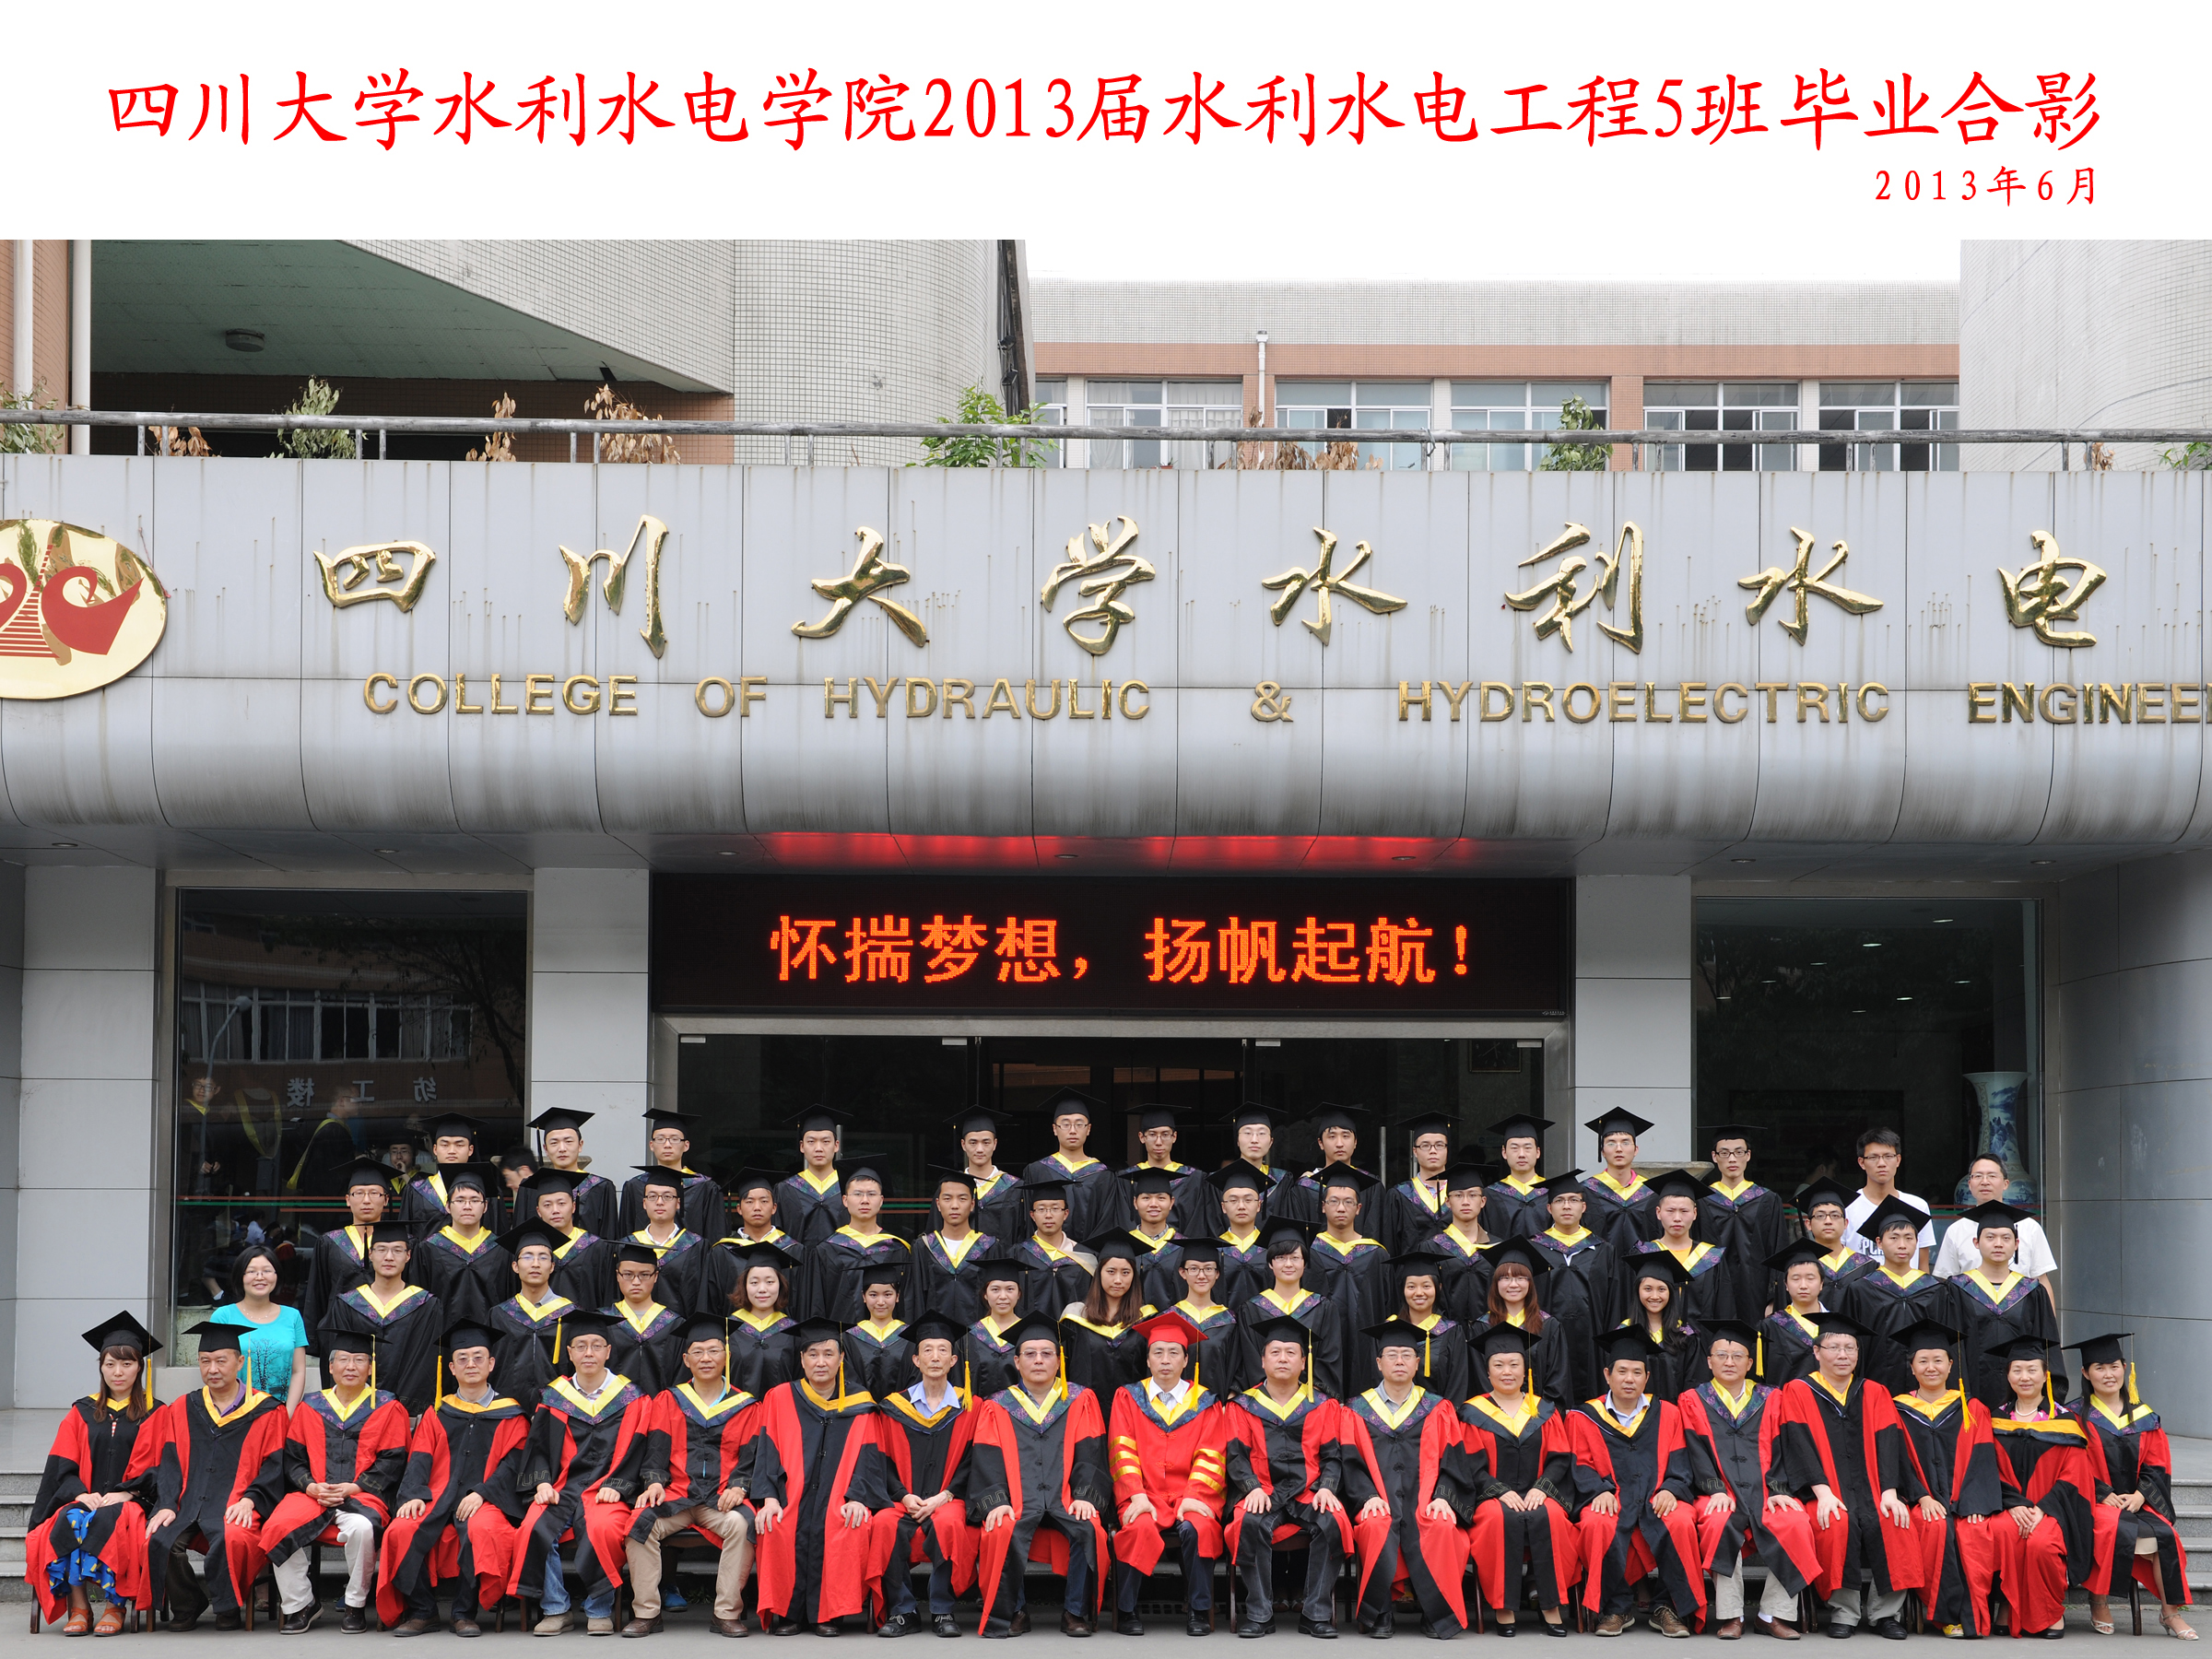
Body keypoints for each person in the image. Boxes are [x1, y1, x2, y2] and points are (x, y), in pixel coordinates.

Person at [1765, 1311, 1925, 1640]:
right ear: (1816, 1352)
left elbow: (1889, 1443)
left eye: (1850, 1348)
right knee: (1836, 1523)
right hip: (1823, 1489)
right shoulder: (1798, 1390)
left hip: (1875, 1488)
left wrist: (1890, 1492)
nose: (1843, 1355)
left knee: (1895, 1521)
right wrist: (1823, 1493)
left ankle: (1886, 1614)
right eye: (1834, 1347)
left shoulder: (1875, 1392)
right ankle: (1844, 1612)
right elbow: (1798, 1444)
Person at [376, 1318, 533, 1636]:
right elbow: (419, 1457)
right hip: (437, 1495)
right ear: (451, 1368)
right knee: (401, 1529)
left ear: (491, 1364)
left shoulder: (511, 1414)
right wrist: (414, 1494)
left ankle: (464, 1613)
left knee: (482, 1528)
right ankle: (423, 1611)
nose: (470, 1364)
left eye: (478, 1357)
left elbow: (513, 1464)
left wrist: (483, 1493)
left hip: (485, 1498)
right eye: (462, 1358)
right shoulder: (438, 1412)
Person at [966, 1313, 1113, 1638]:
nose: (1038, 1360)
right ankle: (1015, 1611)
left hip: (1065, 1498)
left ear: (1059, 1361)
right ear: (1016, 1362)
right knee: (1001, 1527)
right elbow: (987, 1459)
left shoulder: (1080, 1400)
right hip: (1019, 1501)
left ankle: (1075, 1612)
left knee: (1089, 1528)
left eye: (1047, 1353)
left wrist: (1085, 1496)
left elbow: (1091, 1453)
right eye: (1030, 1354)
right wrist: (997, 1501)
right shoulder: (998, 1406)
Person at [254, 1327, 411, 1633]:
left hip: (363, 1496)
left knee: (362, 1528)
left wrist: (356, 1486)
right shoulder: (310, 1406)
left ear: (370, 1368)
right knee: (276, 1527)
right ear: (330, 1366)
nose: (351, 1367)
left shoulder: (387, 1407)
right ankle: (301, 1604)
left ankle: (355, 1604)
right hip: (313, 1495)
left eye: (359, 1360)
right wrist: (311, 1486)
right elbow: (293, 1459)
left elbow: (393, 1460)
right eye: (343, 1360)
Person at [511, 1311, 655, 1635]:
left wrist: (619, 1485)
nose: (588, 1352)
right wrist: (542, 1482)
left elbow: (640, 1449)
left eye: (596, 1345)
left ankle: (599, 1609)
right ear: (570, 1352)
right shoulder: (553, 1398)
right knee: (532, 1526)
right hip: (562, 1487)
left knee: (603, 1527)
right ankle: (556, 1608)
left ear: (608, 1351)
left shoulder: (632, 1398)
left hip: (607, 1489)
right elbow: (537, 1448)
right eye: (581, 1346)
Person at [1674, 1320, 1818, 1641]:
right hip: (1717, 1492)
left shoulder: (1772, 1397)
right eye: (1721, 1355)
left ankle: (1772, 1614)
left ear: (1750, 1363)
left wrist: (1779, 1489)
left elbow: (1785, 1447)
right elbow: (1692, 1451)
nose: (1729, 1362)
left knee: (1795, 1521)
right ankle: (1732, 1615)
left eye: (1737, 1356)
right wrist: (1713, 1488)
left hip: (1765, 1491)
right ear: (1709, 1361)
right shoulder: (1692, 1400)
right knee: (1718, 1523)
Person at [748, 1316, 891, 1635]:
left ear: (841, 1359)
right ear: (802, 1360)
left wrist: (858, 1498)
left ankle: (829, 1614)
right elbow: (767, 1452)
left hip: (840, 1496)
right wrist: (769, 1498)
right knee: (775, 1525)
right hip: (790, 1496)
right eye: (813, 1354)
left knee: (848, 1524)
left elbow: (869, 1458)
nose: (821, 1362)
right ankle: (788, 1613)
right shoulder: (780, 1397)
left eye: (828, 1354)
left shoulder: (861, 1403)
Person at [26, 1312, 166, 1637]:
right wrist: (80, 1493)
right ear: (101, 1367)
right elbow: (62, 1462)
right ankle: (79, 1608)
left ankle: (115, 1606)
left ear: (140, 1368)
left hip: (133, 1500)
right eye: (110, 1364)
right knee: (71, 1518)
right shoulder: (82, 1411)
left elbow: (162, 1465)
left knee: (109, 1519)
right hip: (86, 1496)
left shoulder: (156, 1412)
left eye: (127, 1364)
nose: (118, 1372)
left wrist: (128, 1492)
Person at [145, 1322, 288, 1631]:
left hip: (236, 1502)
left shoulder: (267, 1411)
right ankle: (188, 1603)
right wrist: (167, 1503)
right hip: (188, 1503)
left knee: (232, 1537)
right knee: (160, 1538)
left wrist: (251, 1500)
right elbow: (169, 1463)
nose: (213, 1369)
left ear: (240, 1362)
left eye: (221, 1361)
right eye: (205, 1361)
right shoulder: (182, 1408)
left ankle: (228, 1607)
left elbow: (275, 1466)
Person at [1336, 1318, 1473, 1640]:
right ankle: (1380, 1611)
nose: (1399, 1361)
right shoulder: (1356, 1410)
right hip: (1378, 1499)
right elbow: (1350, 1464)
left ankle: (1435, 1613)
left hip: (1425, 1500)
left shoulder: (1438, 1408)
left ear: (1417, 1362)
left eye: (1407, 1355)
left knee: (1440, 1525)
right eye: (1392, 1355)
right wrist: (1368, 1497)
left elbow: (1454, 1462)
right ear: (1378, 1363)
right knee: (1375, 1524)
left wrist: (1443, 1496)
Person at [1566, 1327, 1706, 1638]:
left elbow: (1681, 1461)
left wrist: (1671, 1488)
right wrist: (1598, 1490)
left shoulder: (1668, 1413)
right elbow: (1580, 1463)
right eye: (1622, 1371)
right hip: (1611, 1497)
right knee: (1596, 1523)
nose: (1629, 1379)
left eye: (1637, 1372)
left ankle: (1667, 1607)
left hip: (1657, 1497)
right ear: (1607, 1375)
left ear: (1647, 1377)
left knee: (1681, 1521)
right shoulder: (1585, 1416)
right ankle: (1616, 1608)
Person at [625, 1317, 759, 1638]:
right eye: (698, 1352)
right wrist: (654, 1481)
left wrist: (740, 1486)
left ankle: (726, 1613)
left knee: (743, 1525)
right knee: (640, 1522)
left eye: (714, 1351)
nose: (706, 1358)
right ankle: (647, 1613)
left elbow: (753, 1456)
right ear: (686, 1360)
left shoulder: (746, 1405)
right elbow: (656, 1450)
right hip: (677, 1495)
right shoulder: (668, 1400)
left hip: (721, 1497)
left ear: (726, 1356)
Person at [1218, 1314, 1348, 1639]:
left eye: (1291, 1353)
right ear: (1262, 1360)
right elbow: (1235, 1455)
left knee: (1333, 1521)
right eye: (1275, 1352)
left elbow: (1333, 1455)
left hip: (1309, 1492)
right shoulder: (1243, 1406)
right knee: (1248, 1522)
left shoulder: (1323, 1405)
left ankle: (1316, 1614)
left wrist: (1327, 1487)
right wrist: (1250, 1488)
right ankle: (1259, 1614)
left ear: (1304, 1363)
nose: (1283, 1359)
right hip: (1263, 1490)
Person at [2065, 1331, 2195, 1640]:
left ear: (2125, 1368)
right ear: (2086, 1373)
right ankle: (2098, 1600)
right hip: (2095, 1501)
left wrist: (2140, 1495)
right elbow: (2070, 1464)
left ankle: (2170, 1612)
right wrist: (2102, 1493)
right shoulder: (2073, 1416)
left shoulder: (2145, 1417)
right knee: (2110, 1527)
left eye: (2114, 1366)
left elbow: (2157, 1465)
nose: (2108, 1374)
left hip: (2139, 1502)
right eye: (2099, 1368)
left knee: (2166, 1534)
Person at [1106, 1310, 1228, 1637]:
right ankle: (1127, 1609)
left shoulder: (1205, 1402)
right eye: (1158, 1352)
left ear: (1186, 1360)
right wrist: (1137, 1495)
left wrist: (1194, 1496)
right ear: (1147, 1360)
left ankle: (1199, 1609)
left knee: (1199, 1527)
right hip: (1143, 1494)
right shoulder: (1128, 1398)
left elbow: (1211, 1454)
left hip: (1192, 1495)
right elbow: (1122, 1450)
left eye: (1174, 1352)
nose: (1165, 1360)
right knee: (1139, 1527)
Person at [1451, 1324, 1578, 1635]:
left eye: (1514, 1364)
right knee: (1497, 1518)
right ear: (1488, 1371)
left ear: (1525, 1370)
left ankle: (1551, 1605)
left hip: (1538, 1493)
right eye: (1498, 1365)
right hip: (1491, 1497)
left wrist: (1542, 1489)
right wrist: (1498, 1491)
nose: (1507, 1372)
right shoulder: (1472, 1412)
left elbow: (1560, 1458)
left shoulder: (1544, 1410)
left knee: (1552, 1516)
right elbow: (1470, 1465)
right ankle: (1503, 1607)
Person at [1888, 1320, 2009, 1639]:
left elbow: (1983, 1459)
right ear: (1912, 1367)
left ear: (1951, 1365)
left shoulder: (1972, 1408)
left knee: (1974, 1531)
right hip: (1920, 1500)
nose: (1931, 1368)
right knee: (1934, 1527)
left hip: (1965, 1500)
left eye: (1938, 1360)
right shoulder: (1897, 1409)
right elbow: (1896, 1462)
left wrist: (1974, 1503)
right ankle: (1946, 1616)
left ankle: (1974, 1616)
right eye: (1923, 1361)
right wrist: (1922, 1497)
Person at [869, 1313, 979, 1639]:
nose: (935, 1357)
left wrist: (946, 1495)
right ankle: (903, 1611)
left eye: (943, 1350)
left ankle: (942, 1610)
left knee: (949, 1523)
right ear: (916, 1359)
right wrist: (903, 1495)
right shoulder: (893, 1407)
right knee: (884, 1523)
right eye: (927, 1350)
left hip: (949, 1498)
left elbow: (975, 1461)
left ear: (953, 1360)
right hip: (904, 1498)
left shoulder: (971, 1406)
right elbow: (881, 1460)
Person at [1987, 1337, 2096, 1640]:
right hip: (2009, 1506)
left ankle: (2050, 1611)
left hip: (2053, 1509)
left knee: (2041, 1543)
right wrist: (2014, 1504)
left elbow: (2074, 1475)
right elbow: (1986, 1469)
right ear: (2008, 1376)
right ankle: (2009, 1604)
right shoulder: (1995, 1420)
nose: (2025, 1377)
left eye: (2032, 1370)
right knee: (2003, 1533)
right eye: (2017, 1370)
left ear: (2045, 1375)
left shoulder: (2064, 1421)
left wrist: (2043, 1509)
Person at [1839, 1196, 1961, 1396]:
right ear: (1879, 1242)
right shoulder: (1861, 1290)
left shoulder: (1936, 1289)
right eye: (1894, 1238)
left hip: (1926, 1389)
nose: (1902, 1245)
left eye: (1909, 1238)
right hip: (1874, 1383)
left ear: (1917, 1242)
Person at [1948, 1200, 2065, 1409]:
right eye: (1990, 1237)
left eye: (2006, 1238)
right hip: (1970, 1397)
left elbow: (2047, 1347)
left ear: (2017, 1244)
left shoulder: (2032, 1291)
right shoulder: (1957, 1289)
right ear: (1976, 1242)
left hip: (2022, 1401)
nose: (1998, 1244)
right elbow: (1951, 1348)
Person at [321, 1220, 443, 1415]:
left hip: (404, 1413)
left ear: (408, 1255)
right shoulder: (348, 1304)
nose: (389, 1257)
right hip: (355, 1412)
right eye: (381, 1249)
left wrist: (397, 1407)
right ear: (370, 1254)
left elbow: (423, 1364)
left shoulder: (426, 1306)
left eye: (397, 1250)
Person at [1527, 1170, 1614, 1403]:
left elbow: (1613, 1302)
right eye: (1559, 1200)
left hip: (1592, 1341)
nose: (1567, 1206)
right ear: (1549, 1208)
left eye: (1573, 1200)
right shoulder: (1535, 1249)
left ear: (1583, 1207)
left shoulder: (1603, 1250)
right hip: (1547, 1338)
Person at [1237, 1219, 1346, 1401]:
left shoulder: (1323, 1308)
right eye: (1280, 1258)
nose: (1288, 1264)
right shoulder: (1252, 1309)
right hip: (1265, 1403)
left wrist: (1305, 1398)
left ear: (1305, 1263)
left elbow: (1330, 1358)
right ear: (1270, 1264)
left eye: (1295, 1258)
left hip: (1310, 1401)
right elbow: (1250, 1361)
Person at [1933, 1158, 2057, 1312]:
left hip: (2021, 1315)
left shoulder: (2030, 1228)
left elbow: (2042, 1280)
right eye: (1978, 1176)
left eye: (1992, 1176)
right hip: (1971, 1316)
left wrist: (2050, 1323)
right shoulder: (1956, 1230)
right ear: (1970, 1184)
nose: (1985, 1182)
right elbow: (1946, 1283)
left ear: (2005, 1183)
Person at [300, 1157, 395, 1354]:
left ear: (386, 1199)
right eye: (358, 1193)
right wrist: (312, 1343)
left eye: (374, 1193)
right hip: (338, 1336)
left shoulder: (401, 1245)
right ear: (347, 1200)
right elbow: (317, 1295)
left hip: (389, 1336)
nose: (366, 1200)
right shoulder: (330, 1242)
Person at [797, 1165, 912, 1325]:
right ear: (845, 1200)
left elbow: (908, 1304)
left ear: (881, 1201)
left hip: (888, 1338)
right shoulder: (827, 1249)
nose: (864, 1200)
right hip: (839, 1337)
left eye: (871, 1194)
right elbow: (816, 1304)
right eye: (857, 1194)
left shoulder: (897, 1249)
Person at [1699, 1124, 1789, 1324]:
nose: (1732, 1159)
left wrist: (1773, 1298)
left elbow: (1778, 1250)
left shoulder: (1767, 1199)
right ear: (1714, 1156)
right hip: (1714, 1292)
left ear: (1748, 1155)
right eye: (1724, 1153)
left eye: (1739, 1152)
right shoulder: (1703, 1201)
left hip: (1757, 1293)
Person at [486, 1222, 581, 1406]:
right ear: (515, 1266)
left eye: (543, 1258)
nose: (535, 1264)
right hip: (508, 1409)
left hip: (557, 1409)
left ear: (552, 1266)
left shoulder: (570, 1314)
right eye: (528, 1257)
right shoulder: (499, 1315)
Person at [210, 1242, 311, 1408]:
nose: (260, 1277)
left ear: (276, 1275)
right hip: (233, 1412)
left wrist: (287, 1415)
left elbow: (298, 1371)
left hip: (280, 1410)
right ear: (240, 1276)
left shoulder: (292, 1317)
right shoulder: (223, 1317)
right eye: (251, 1271)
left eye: (267, 1271)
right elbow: (213, 1369)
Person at [1633, 1169, 1738, 1327]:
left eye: (1684, 1211)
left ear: (1695, 1213)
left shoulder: (1711, 1258)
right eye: (1670, 1211)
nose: (1677, 1218)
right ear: (1658, 1213)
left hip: (1702, 1339)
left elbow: (1724, 1309)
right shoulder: (1643, 1254)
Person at [408, 1162, 512, 1323]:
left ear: (485, 1206)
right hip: (442, 1335)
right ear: (448, 1206)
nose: (467, 1207)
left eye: (475, 1200)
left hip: (491, 1335)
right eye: (460, 1200)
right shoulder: (428, 1249)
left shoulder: (500, 1250)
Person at [1019, 1088, 1122, 1244]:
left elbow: (1107, 1222)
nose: (1073, 1131)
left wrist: (1087, 1253)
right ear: (1055, 1129)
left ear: (1088, 1129)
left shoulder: (1103, 1175)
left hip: (1089, 1256)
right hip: (1044, 1253)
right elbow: (1027, 1219)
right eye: (1065, 1124)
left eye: (1079, 1124)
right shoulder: (1037, 1171)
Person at [905, 1168, 1004, 1329]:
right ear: (938, 1204)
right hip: (935, 1339)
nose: (955, 1205)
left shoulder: (989, 1247)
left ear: (972, 1204)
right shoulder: (923, 1248)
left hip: (979, 1338)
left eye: (962, 1199)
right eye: (947, 1199)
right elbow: (915, 1301)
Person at [1303, 1163, 1392, 1342]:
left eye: (1348, 1202)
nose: (1341, 1208)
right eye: (1334, 1201)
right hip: (1322, 1346)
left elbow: (1388, 1307)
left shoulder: (1376, 1254)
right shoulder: (1310, 1252)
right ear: (1323, 1206)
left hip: (1366, 1346)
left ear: (1358, 1208)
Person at [1478, 1239, 1573, 1403]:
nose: (1513, 1284)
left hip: (1539, 1413)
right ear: (1496, 1283)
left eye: (1521, 1278)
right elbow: (1479, 1378)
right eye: (1505, 1278)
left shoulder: (1548, 1326)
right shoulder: (1482, 1326)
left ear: (1530, 1283)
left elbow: (1558, 1380)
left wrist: (1543, 1412)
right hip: (1492, 1414)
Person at [1058, 1232, 1151, 1398]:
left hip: (1130, 1407)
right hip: (1084, 1406)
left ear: (1134, 1276)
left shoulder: (1146, 1319)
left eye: (1125, 1272)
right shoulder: (1075, 1317)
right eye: (1111, 1271)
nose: (1118, 1280)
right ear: (1099, 1273)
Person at [619, 1107, 725, 1239]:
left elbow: (715, 1238)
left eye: (674, 1139)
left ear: (686, 1145)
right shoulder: (635, 1186)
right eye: (660, 1139)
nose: (667, 1145)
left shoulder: (704, 1187)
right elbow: (626, 1234)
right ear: (651, 1145)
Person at [1163, 1238, 1246, 1404]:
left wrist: (1228, 1404)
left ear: (1217, 1274)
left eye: (1208, 1269)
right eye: (1194, 1269)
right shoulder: (1169, 1319)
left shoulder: (1230, 1322)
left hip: (1218, 1409)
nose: (1201, 1276)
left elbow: (1238, 1372)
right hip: (1174, 1409)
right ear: (1182, 1273)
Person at [1279, 1104, 1382, 1236]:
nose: (1339, 1144)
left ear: (1355, 1142)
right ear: (1320, 1143)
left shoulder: (1371, 1186)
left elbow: (1376, 1232)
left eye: (1346, 1136)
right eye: (1332, 1137)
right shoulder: (1304, 1187)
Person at [1623, 1251, 1710, 1403]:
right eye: (1648, 1289)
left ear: (1671, 1293)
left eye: (1662, 1289)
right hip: (1633, 1415)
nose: (1655, 1296)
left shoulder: (1686, 1336)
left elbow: (1693, 1385)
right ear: (1638, 1291)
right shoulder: (1624, 1333)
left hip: (1677, 1414)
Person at [621, 1164, 709, 1315]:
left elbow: (702, 1299)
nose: (659, 1202)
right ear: (644, 1203)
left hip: (683, 1328)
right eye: (652, 1196)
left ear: (678, 1203)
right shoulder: (627, 1245)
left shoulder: (696, 1246)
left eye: (667, 1197)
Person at [1840, 1130, 1933, 1268]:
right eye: (1873, 1157)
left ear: (1898, 1160)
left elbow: (1923, 1266)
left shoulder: (1918, 1206)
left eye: (1888, 1156)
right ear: (1862, 1162)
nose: (1881, 1163)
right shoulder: (1846, 1207)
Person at [525, 1168, 615, 1312]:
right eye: (547, 1205)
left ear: (573, 1207)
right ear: (538, 1211)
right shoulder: (531, 1249)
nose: (555, 1210)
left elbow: (606, 1298)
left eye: (561, 1203)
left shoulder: (596, 1247)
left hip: (585, 1325)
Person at [604, 1242, 688, 1394]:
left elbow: (681, 1380)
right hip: (614, 1407)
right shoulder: (604, 1321)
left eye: (644, 1275)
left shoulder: (674, 1325)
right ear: (617, 1275)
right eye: (628, 1274)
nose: (636, 1282)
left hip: (661, 1406)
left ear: (656, 1276)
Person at [1385, 1250, 1468, 1404]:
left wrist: (1445, 1415)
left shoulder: (1451, 1332)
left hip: (1439, 1415)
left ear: (1438, 1287)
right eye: (1411, 1287)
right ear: (1403, 1289)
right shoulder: (1389, 1329)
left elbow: (1457, 1385)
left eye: (1426, 1286)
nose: (1419, 1293)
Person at [721, 1243, 801, 1399]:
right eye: (754, 1282)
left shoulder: (793, 1332)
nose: (762, 1289)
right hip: (736, 1411)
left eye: (770, 1282)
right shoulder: (728, 1329)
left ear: (781, 1286)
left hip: (780, 1411)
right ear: (744, 1286)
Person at [1006, 1177, 1095, 1318]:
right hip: (1029, 1331)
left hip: (1074, 1331)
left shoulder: (1085, 1257)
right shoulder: (1018, 1255)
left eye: (1055, 1209)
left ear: (1066, 1214)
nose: (1048, 1215)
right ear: (1032, 1215)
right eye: (1041, 1209)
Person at [1578, 1109, 1661, 1258]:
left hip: (1643, 1268)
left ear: (1635, 1150)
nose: (1619, 1149)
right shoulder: (1587, 1190)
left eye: (1625, 1142)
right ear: (1603, 1151)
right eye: (1611, 1143)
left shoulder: (1651, 1191)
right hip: (1600, 1267)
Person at [1422, 1159, 1495, 1325]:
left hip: (1489, 1333)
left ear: (1483, 1201)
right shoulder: (1433, 1248)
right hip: (1446, 1334)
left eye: (1472, 1195)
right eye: (1458, 1195)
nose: (1466, 1202)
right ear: (1448, 1202)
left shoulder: (1496, 1247)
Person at [1206, 1102, 1297, 1233]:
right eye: (1247, 1133)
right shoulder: (1217, 1182)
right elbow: (1213, 1226)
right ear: (1237, 1140)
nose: (1254, 1140)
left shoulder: (1282, 1181)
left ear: (1271, 1142)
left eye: (1262, 1133)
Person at [1119, 1102, 1207, 1235]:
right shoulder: (1125, 1179)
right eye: (1152, 1135)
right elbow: (1124, 1221)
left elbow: (1197, 1225)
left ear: (1174, 1137)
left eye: (1165, 1135)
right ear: (1142, 1137)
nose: (1159, 1142)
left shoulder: (1194, 1178)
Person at [530, 1108, 618, 1240]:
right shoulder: (531, 1187)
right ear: (545, 1149)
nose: (562, 1149)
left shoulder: (600, 1187)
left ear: (580, 1145)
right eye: (554, 1143)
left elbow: (609, 1239)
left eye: (568, 1141)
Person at [1377, 1111, 1456, 1255]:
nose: (1433, 1151)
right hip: (1412, 1270)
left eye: (1439, 1145)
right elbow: (1390, 1247)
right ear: (1415, 1151)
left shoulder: (1460, 1193)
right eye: (1425, 1145)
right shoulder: (1399, 1195)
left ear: (1447, 1149)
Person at [1789, 1177, 1877, 1307]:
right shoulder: (1796, 1266)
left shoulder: (1866, 1266)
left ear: (1845, 1223)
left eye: (1835, 1215)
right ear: (1808, 1224)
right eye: (1820, 1216)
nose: (1828, 1221)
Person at [401, 1112, 488, 1239]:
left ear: (470, 1150)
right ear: (435, 1149)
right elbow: (405, 1236)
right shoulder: (417, 1190)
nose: (451, 1151)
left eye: (459, 1145)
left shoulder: (485, 1191)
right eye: (445, 1145)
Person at [1759, 1241, 1832, 1391]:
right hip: (1787, 1402)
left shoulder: (1836, 1325)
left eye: (1810, 1278)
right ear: (1786, 1285)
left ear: (1821, 1284)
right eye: (1795, 1279)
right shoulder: (1771, 1327)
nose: (1803, 1285)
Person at [950, 1107, 1028, 1245]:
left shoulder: (1015, 1188)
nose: (980, 1149)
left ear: (995, 1144)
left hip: (1004, 1258)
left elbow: (1023, 1236)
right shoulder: (952, 1187)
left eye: (986, 1142)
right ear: (963, 1145)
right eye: (973, 1143)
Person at [961, 1259, 1033, 1404]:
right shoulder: (970, 1336)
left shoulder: (1029, 1334)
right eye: (995, 1289)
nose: (1003, 1296)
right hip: (979, 1413)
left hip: (1021, 1413)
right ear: (985, 1294)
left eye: (1010, 1289)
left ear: (1019, 1294)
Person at [775, 1107, 850, 1247]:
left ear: (836, 1145)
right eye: (811, 1142)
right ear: (802, 1146)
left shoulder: (849, 1189)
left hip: (840, 1261)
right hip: (797, 1261)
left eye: (826, 1141)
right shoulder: (786, 1189)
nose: (818, 1148)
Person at [843, 1263, 916, 1400]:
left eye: (888, 1294)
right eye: (873, 1295)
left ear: (897, 1296)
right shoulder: (849, 1338)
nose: (880, 1302)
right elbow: (849, 1382)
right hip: (861, 1409)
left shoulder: (910, 1337)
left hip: (902, 1409)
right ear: (863, 1297)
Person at [1206, 1159, 1274, 1305]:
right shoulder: (1214, 1249)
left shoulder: (1271, 1248)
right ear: (1223, 1207)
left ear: (1259, 1205)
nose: (1241, 1206)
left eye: (1248, 1200)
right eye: (1233, 1200)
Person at [1482, 1112, 1556, 1243]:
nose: (1521, 1154)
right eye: (1515, 1148)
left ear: (1538, 1152)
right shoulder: (1491, 1195)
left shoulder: (1551, 1192)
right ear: (1504, 1153)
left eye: (1527, 1148)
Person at [1125, 1166, 1189, 1309]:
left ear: (1171, 1203)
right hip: (1131, 1320)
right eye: (1146, 1198)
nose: (1153, 1204)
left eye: (1161, 1198)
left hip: (1175, 1321)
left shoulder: (1184, 1247)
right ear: (1135, 1203)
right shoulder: (1126, 1245)